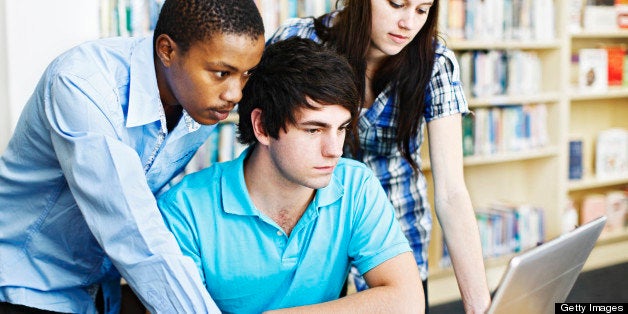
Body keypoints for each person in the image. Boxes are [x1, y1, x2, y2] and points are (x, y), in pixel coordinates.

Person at [0, 0, 264, 313]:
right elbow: (131, 227)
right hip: (23, 285)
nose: (235, 94)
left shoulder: (200, 103)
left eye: (246, 74)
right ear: (167, 50)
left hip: (101, 289)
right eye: (221, 73)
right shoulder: (81, 85)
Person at [157, 37, 424, 313]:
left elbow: (407, 301)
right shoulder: (184, 210)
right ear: (262, 126)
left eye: (341, 128)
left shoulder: (355, 185)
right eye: (313, 130)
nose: (334, 150)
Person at [267, 1, 491, 312]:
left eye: (422, 10)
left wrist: (481, 307)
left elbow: (452, 193)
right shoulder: (302, 40)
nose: (408, 23)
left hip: (398, 222)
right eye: (398, 4)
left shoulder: (434, 61)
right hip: (313, 231)